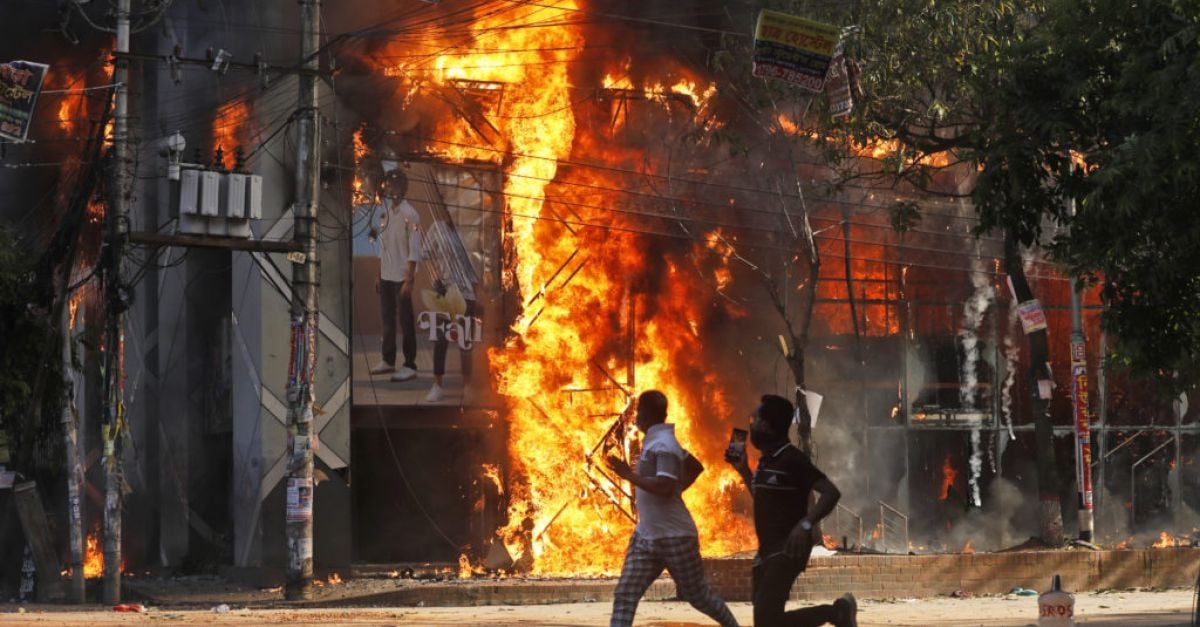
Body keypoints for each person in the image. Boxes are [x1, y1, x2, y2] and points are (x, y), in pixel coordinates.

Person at [605, 390, 739, 627]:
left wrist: (628, 475)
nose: (635, 417)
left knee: (698, 596)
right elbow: (695, 467)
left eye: (638, 412)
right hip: (646, 536)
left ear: (646, 414)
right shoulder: (659, 442)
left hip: (675, 537)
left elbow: (665, 486)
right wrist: (678, 488)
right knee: (625, 594)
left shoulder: (664, 445)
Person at [725, 394, 857, 627]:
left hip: (787, 550)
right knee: (768, 621)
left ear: (767, 425)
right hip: (766, 551)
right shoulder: (766, 461)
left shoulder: (792, 459)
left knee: (766, 621)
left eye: (754, 420)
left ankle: (836, 612)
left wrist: (805, 524)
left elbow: (830, 492)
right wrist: (744, 471)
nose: (751, 424)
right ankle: (839, 613)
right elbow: (765, 498)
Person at [369, 168, 422, 382]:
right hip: (386, 275)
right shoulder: (387, 213)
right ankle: (388, 360)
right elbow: (383, 247)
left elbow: (414, 248)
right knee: (387, 320)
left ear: (401, 187)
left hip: (402, 278)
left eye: (391, 185)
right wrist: (377, 274)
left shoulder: (411, 214)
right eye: (387, 186)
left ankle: (410, 365)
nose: (388, 189)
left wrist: (409, 280)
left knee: (405, 321)